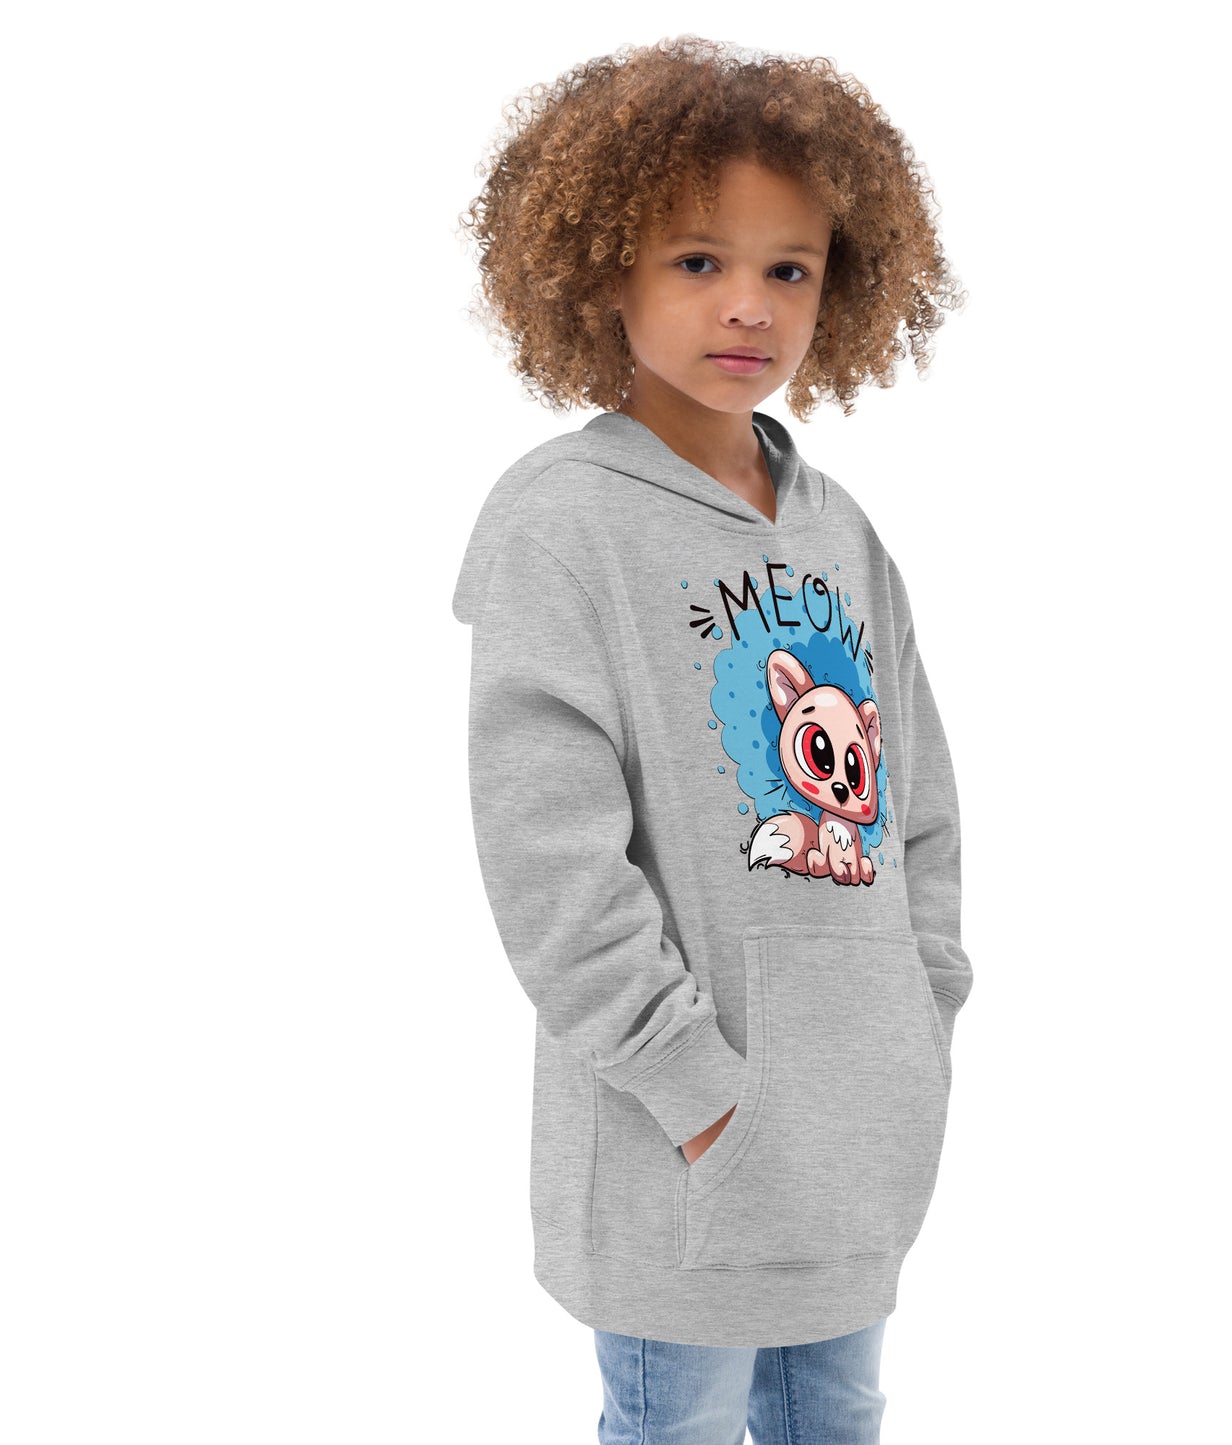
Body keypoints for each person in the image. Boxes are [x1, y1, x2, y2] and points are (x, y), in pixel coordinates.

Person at [451, 35, 975, 1444]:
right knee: (674, 1423)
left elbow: (918, 807)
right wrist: (696, 1096)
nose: (748, 304)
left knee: (839, 1418)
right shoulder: (562, 525)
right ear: (599, 271)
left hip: (856, 1142)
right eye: (696, 260)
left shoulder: (841, 531)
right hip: (681, 1148)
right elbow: (551, 860)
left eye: (788, 268)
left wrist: (919, 1020)